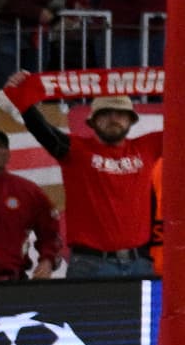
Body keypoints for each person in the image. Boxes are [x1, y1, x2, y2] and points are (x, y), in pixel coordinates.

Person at [13, 85, 159, 278]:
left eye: (120, 114)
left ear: (131, 120)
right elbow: (42, 130)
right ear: (93, 121)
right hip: (90, 265)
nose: (114, 119)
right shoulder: (76, 150)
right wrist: (20, 94)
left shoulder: (148, 146)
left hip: (140, 263)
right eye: (106, 114)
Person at [0, 126, 65, 282]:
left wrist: (47, 261)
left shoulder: (28, 191)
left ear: (8, 155)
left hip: (14, 282)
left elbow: (50, 232)